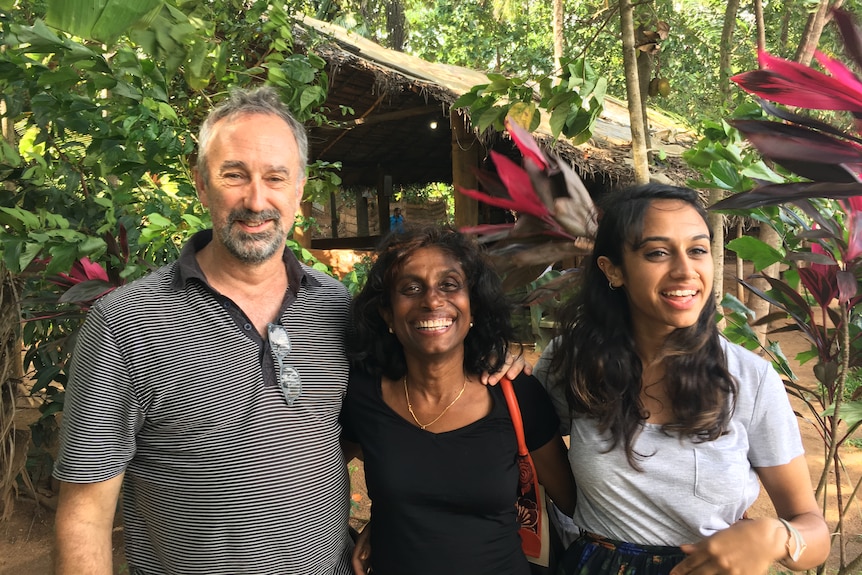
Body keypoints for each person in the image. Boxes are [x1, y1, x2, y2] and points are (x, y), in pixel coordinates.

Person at [51, 86, 357, 574]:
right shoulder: (124, 323)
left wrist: (490, 364)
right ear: (201, 183)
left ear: (299, 189)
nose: (256, 201)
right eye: (234, 175)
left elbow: (388, 420)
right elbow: (85, 512)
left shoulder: (335, 306)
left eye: (275, 178)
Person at [534, 183, 830, 575]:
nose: (685, 270)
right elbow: (530, 439)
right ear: (613, 270)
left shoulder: (749, 380)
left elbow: (814, 533)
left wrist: (777, 536)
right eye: (657, 252)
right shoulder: (572, 362)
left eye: (697, 250)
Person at [341, 226, 577, 575]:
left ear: (474, 306)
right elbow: (311, 482)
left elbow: (573, 503)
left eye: (449, 285)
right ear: (388, 314)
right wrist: (390, 523)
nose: (432, 300)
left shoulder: (517, 394)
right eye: (411, 288)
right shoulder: (362, 396)